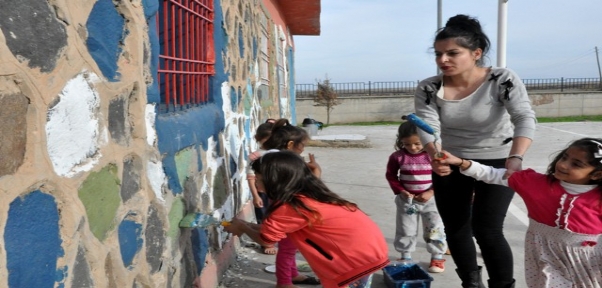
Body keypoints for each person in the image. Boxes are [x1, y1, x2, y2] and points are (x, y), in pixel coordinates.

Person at [413, 14, 537, 288]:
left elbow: (524, 118)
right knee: (456, 229)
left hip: (498, 161)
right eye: (438, 54)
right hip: (450, 160)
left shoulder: (501, 79)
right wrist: (435, 155)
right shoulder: (429, 87)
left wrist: (515, 159)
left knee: (488, 229)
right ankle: (471, 283)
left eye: (453, 53)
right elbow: (427, 125)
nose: (443, 59)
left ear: (476, 53)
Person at [439, 138, 602, 287]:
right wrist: (460, 162)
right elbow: (493, 174)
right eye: (564, 157)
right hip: (543, 255)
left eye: (576, 164)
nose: (563, 165)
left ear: (597, 175)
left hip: (586, 261)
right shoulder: (535, 183)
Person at [224, 150, 390, 288]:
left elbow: (267, 239)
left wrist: (243, 228)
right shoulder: (306, 195)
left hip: (352, 259)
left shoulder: (290, 206)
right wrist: (244, 224)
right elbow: (275, 230)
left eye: (259, 178)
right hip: (368, 250)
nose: (256, 184)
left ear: (274, 180)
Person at [254, 118, 322, 287]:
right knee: (288, 248)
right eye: (302, 145)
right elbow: (303, 188)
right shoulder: (279, 160)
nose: (303, 149)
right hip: (288, 209)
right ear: (291, 144)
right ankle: (284, 282)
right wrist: (316, 173)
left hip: (285, 207)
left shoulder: (276, 157)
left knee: (290, 246)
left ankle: (292, 274)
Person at [385, 118, 447, 273]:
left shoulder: (435, 154)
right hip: (407, 201)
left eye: (417, 143)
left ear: (426, 140)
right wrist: (401, 191)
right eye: (407, 144)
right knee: (406, 229)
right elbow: (391, 175)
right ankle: (405, 256)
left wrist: (431, 191)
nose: (412, 147)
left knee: (435, 229)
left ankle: (437, 257)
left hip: (432, 200)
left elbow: (443, 175)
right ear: (401, 142)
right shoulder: (397, 157)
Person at [247, 120, 276, 254]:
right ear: (258, 139)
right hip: (262, 193)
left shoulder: (279, 153)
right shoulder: (255, 156)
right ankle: (266, 243)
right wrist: (255, 195)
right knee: (263, 218)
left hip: (277, 192)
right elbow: (251, 176)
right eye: (266, 140)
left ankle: (274, 237)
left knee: (276, 217)